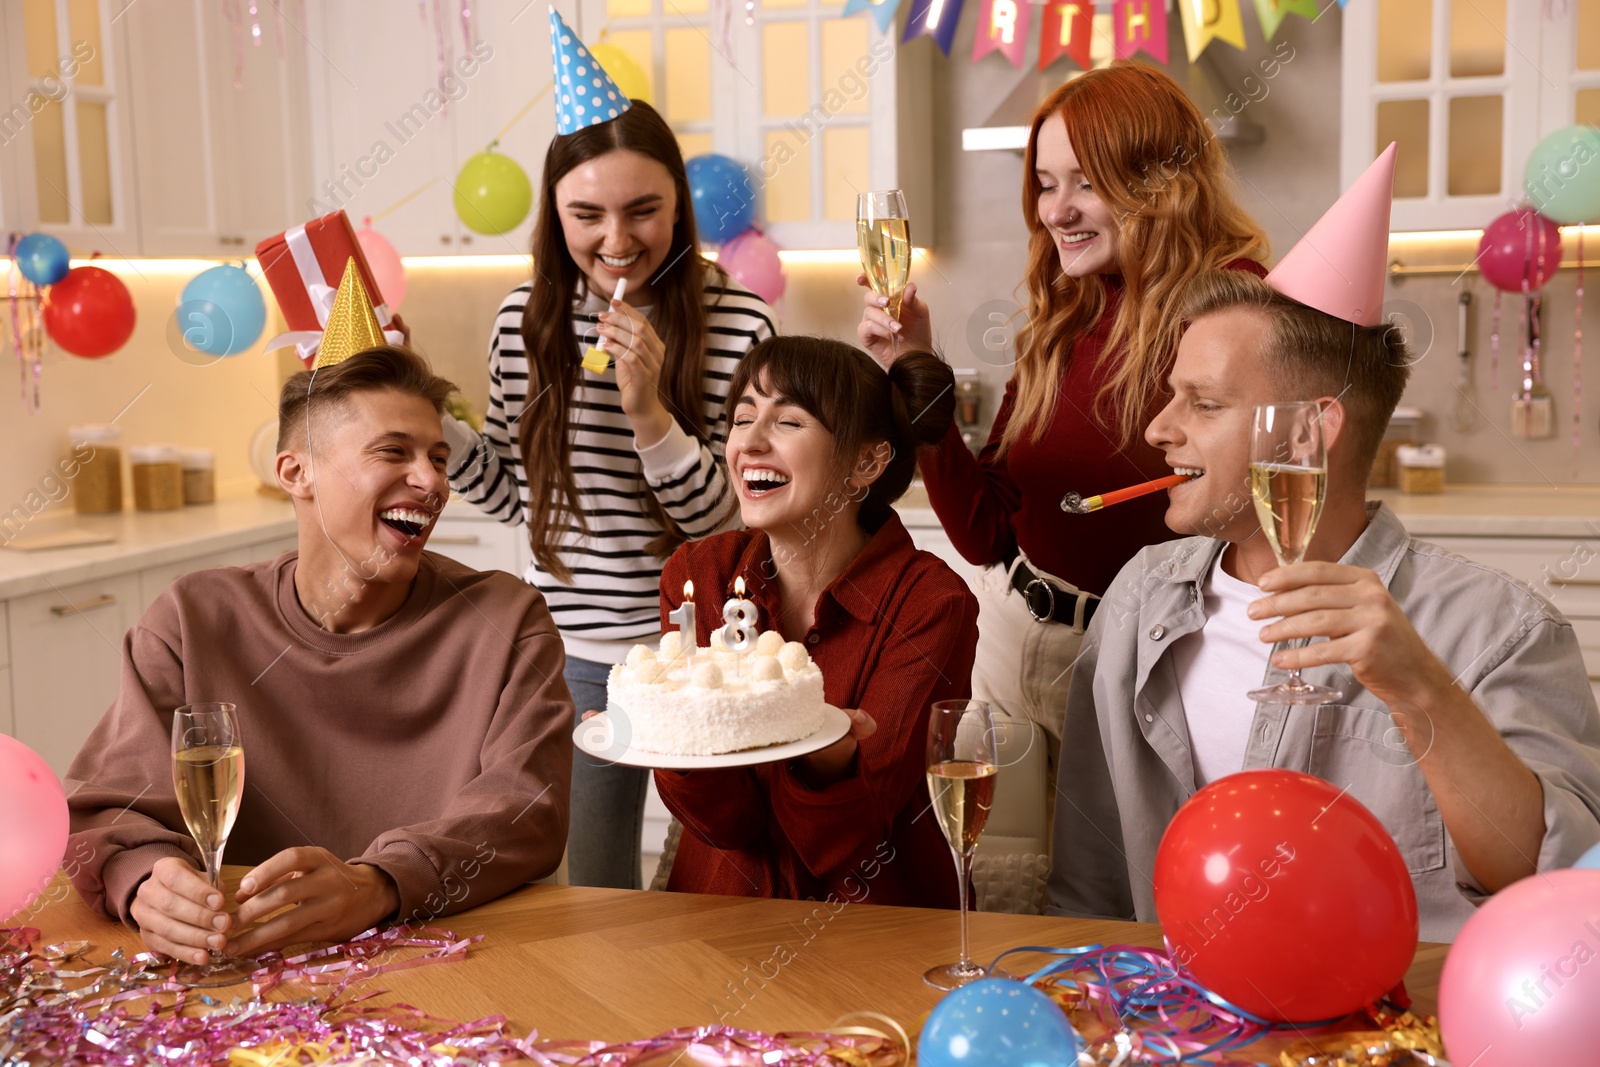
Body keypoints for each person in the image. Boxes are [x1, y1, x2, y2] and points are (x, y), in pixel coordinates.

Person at [1049, 151, 1600, 940]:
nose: (1158, 430)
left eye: (1201, 403)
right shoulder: (1140, 596)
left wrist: (1420, 692)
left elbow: (1553, 886)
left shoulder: (1501, 629)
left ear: (1305, 433)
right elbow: (1089, 884)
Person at [65, 338, 573, 966]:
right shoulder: (191, 619)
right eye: (394, 452)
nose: (432, 481)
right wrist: (146, 882)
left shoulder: (506, 619)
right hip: (241, 979)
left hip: (453, 967)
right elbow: (106, 807)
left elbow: (528, 809)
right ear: (296, 473)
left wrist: (380, 883)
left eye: (438, 458)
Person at [856, 62, 1269, 771]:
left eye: (1086, 182)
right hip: (1012, 638)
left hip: (1146, 655)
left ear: (1157, 180)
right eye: (1046, 185)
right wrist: (917, 373)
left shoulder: (1236, 306)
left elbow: (1250, 517)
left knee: (1127, 880)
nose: (1055, 210)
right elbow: (986, 532)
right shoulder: (1068, 315)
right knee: (1001, 874)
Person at [443, 16, 776, 891]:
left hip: (705, 651)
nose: (617, 241)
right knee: (595, 887)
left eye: (643, 211)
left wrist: (650, 411)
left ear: (680, 207)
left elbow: (739, 518)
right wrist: (424, 421)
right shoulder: (523, 322)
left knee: (726, 879)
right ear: (555, 215)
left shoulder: (738, 322)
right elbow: (515, 498)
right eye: (587, 214)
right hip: (577, 657)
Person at [642, 336, 978, 905]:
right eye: (743, 417)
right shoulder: (699, 574)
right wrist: (670, 732)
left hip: (875, 928)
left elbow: (850, 839)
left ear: (866, 462)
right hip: (717, 921)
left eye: (788, 421)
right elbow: (725, 825)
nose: (748, 440)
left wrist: (829, 756)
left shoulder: (931, 603)